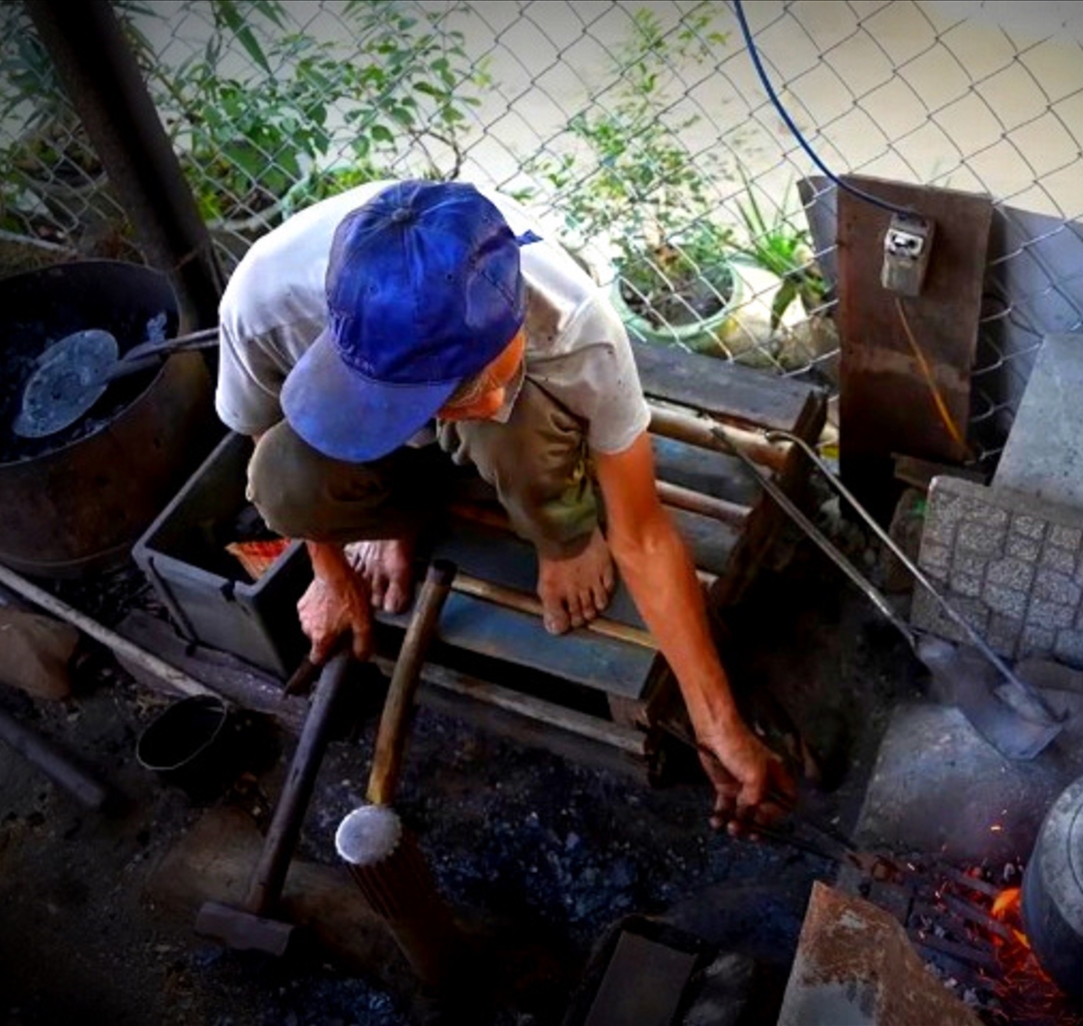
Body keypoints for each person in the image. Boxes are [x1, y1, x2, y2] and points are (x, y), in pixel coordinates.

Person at [214, 178, 793, 834]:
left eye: (484, 377)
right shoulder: (265, 303)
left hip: (521, 437)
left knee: (513, 420)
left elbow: (645, 534)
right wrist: (330, 567)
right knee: (281, 483)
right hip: (378, 443)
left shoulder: (574, 327)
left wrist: (716, 720)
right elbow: (265, 432)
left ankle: (562, 537)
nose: (482, 401)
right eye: (458, 393)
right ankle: (396, 511)